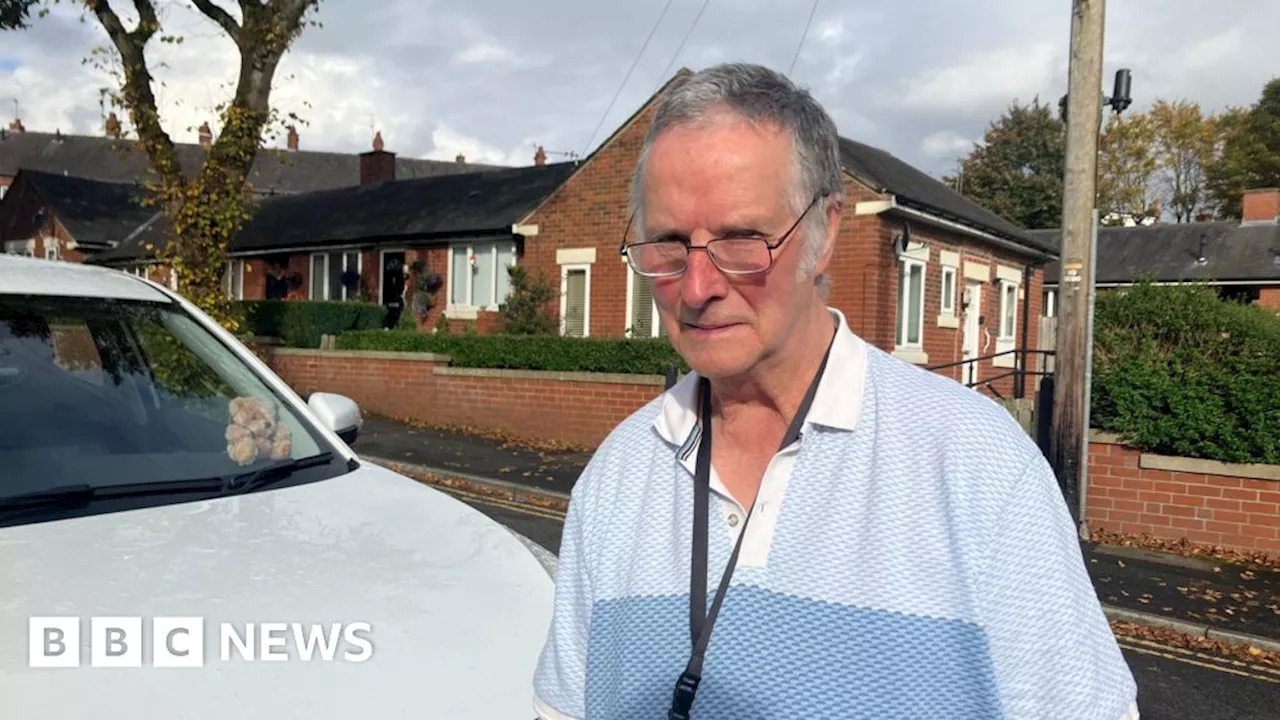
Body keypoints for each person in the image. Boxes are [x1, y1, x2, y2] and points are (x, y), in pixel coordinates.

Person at [532, 62, 1138, 720]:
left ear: (824, 234)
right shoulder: (616, 476)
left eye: (742, 239)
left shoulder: (978, 468)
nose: (698, 287)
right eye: (670, 243)